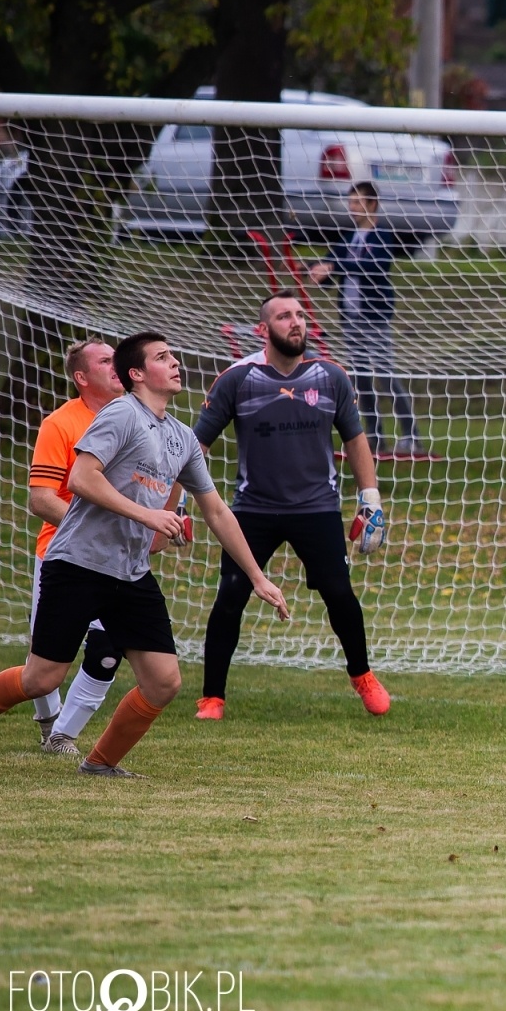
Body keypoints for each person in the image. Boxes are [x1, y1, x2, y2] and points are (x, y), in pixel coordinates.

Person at [0, 332, 290, 776]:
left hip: (130, 573)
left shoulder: (182, 437)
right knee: (42, 679)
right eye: (162, 357)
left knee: (164, 682)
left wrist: (257, 576)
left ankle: (100, 764)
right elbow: (82, 478)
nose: (175, 363)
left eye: (173, 355)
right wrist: (149, 516)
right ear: (136, 374)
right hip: (77, 564)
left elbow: (215, 510)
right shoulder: (121, 413)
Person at [193, 292, 391, 719]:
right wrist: (176, 506)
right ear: (262, 330)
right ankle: (212, 697)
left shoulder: (330, 376)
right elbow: (195, 447)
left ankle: (363, 676)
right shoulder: (238, 379)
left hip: (317, 507)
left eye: (300, 314)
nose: (296, 322)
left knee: (339, 593)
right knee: (231, 595)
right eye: (284, 316)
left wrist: (370, 499)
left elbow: (355, 439)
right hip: (253, 510)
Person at [26, 339, 126, 756]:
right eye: (105, 361)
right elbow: (41, 499)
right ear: (81, 377)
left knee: (108, 650)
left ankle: (63, 734)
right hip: (63, 555)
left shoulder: (136, 417)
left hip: (118, 559)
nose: (116, 365)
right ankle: (48, 721)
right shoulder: (61, 424)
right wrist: (92, 527)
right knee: (45, 662)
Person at [308, 181, 424, 457]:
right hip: (350, 319)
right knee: (361, 379)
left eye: (358, 202)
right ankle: (374, 437)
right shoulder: (347, 239)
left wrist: (334, 265)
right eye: (351, 202)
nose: (352, 208)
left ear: (372, 204)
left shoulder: (381, 237)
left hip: (375, 318)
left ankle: (411, 436)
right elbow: (332, 267)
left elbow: (372, 266)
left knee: (385, 375)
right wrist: (313, 270)